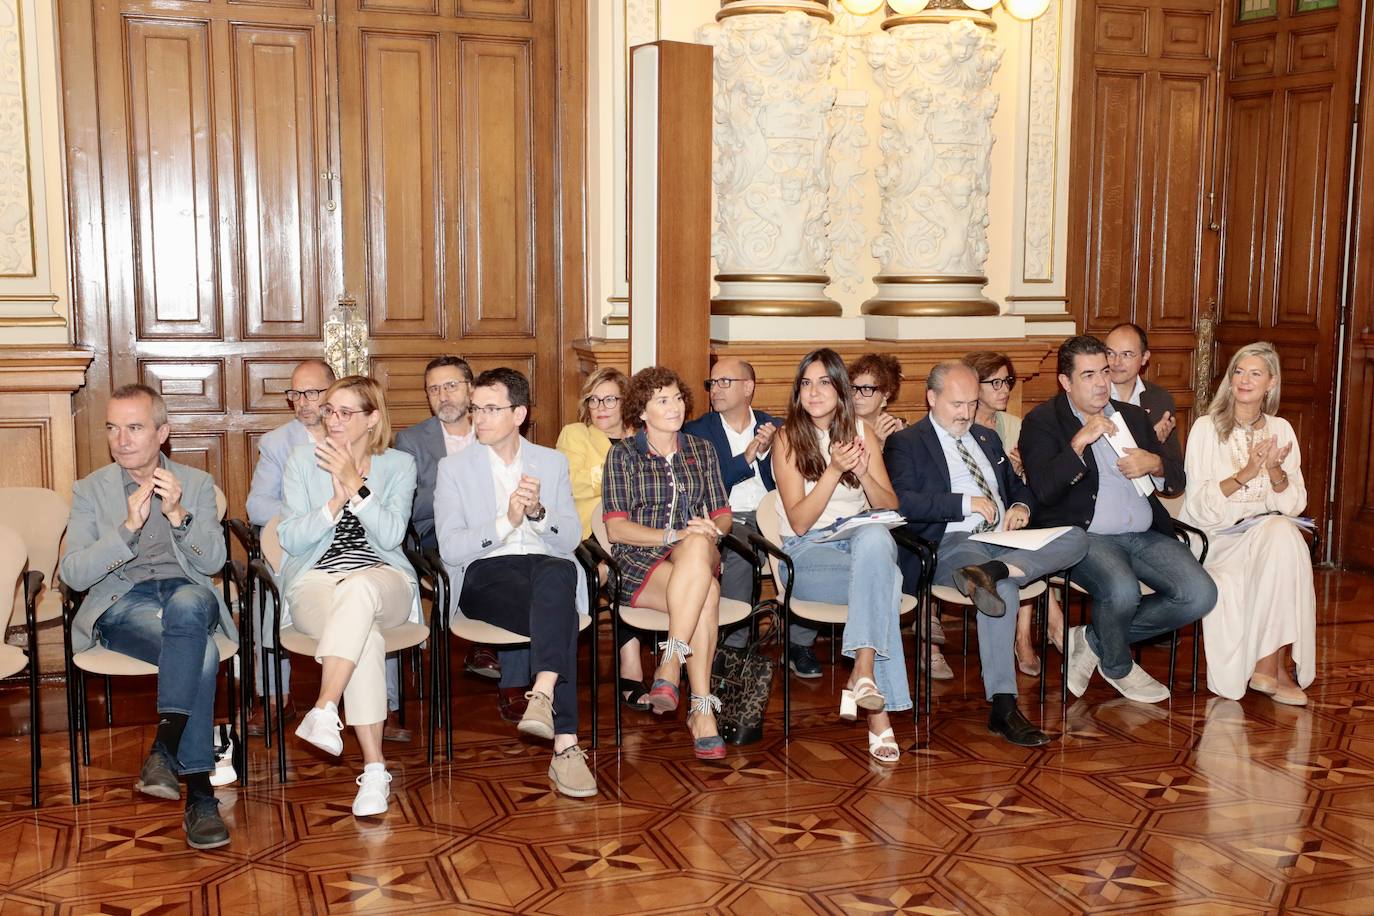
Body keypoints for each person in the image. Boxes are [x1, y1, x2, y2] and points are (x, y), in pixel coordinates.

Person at [60, 384, 236, 849]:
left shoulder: (194, 484)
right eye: (113, 428)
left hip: (185, 595)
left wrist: (178, 515)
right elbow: (73, 573)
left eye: (134, 427)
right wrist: (127, 530)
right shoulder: (90, 490)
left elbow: (214, 563)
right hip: (124, 604)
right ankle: (199, 794)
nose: (121, 439)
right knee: (198, 650)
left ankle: (164, 750)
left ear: (163, 433)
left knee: (188, 604)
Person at [886, 362, 1087, 746]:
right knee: (1003, 592)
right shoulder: (908, 443)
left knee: (1076, 537)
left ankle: (997, 569)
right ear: (932, 398)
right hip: (950, 546)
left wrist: (1022, 508)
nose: (965, 413)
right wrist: (965, 503)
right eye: (956, 404)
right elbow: (902, 503)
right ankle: (1004, 706)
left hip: (1005, 543)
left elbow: (1018, 488)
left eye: (972, 403)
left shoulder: (987, 438)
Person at [1020, 335, 1215, 703]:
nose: (1101, 383)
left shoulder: (1132, 417)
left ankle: (1092, 639)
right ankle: (1119, 665)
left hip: (1145, 534)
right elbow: (1043, 492)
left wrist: (1155, 463)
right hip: (1086, 536)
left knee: (1200, 594)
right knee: (1122, 592)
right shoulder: (1042, 422)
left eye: (1105, 372)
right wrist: (1079, 442)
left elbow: (1176, 478)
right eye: (1089, 375)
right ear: (1066, 381)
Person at [435, 368, 597, 797]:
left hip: (545, 567)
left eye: (491, 409)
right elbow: (451, 549)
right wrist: (505, 521)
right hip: (486, 572)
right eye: (476, 409)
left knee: (558, 572)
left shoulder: (551, 462)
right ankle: (565, 744)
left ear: (519, 413)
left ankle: (546, 701)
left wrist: (540, 514)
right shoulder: (453, 469)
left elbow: (570, 539)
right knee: (557, 602)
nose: (479, 418)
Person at [277, 376, 421, 817]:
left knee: (360, 589)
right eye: (329, 411)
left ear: (372, 418)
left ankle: (325, 707)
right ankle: (375, 770)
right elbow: (290, 537)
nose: (332, 420)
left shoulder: (398, 465)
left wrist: (355, 487)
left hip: (383, 579)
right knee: (368, 640)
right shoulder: (303, 460)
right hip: (317, 580)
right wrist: (331, 505)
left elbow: (394, 534)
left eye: (344, 412)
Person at [772, 348, 909, 762]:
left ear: (841, 389)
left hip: (856, 548)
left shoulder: (861, 433)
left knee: (874, 537)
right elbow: (798, 522)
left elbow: (890, 507)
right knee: (886, 577)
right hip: (806, 556)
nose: (814, 392)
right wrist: (833, 471)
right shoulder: (786, 438)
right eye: (806, 383)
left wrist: (864, 470)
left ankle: (864, 675)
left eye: (824, 383)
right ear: (798, 392)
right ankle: (873, 706)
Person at [602, 366, 732, 759]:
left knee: (697, 541)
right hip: (641, 561)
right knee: (706, 593)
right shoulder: (623, 455)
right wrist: (670, 536)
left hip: (697, 550)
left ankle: (671, 662)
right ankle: (701, 712)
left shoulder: (701, 450)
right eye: (662, 400)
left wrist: (714, 530)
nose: (674, 406)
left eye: (677, 398)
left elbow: (723, 512)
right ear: (642, 411)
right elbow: (617, 529)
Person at [1181, 342, 1314, 704]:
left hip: (1268, 534)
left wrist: (1273, 470)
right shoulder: (1206, 429)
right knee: (1284, 539)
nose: (1244, 379)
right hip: (1219, 538)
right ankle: (1275, 666)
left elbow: (1293, 503)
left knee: (1282, 533)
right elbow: (1199, 507)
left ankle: (1268, 665)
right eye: (1238, 371)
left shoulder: (1282, 430)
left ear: (1271, 383)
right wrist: (1247, 472)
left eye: (1255, 373)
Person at [395, 356, 514, 719]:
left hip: (498, 527)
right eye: (434, 389)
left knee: (520, 563)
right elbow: (408, 508)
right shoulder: (412, 440)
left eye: (451, 386)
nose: (443, 395)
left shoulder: (495, 428)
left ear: (470, 389)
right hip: (436, 533)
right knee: (485, 557)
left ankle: (513, 678)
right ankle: (486, 645)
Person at [683, 359, 810, 669]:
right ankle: (732, 647)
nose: (716, 389)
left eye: (725, 382)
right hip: (728, 517)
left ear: (748, 387)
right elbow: (704, 486)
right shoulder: (696, 431)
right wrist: (748, 456)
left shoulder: (776, 427)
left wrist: (768, 452)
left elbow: (793, 479)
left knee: (807, 546)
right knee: (743, 550)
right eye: (712, 383)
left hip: (774, 514)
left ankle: (800, 642)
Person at [244, 358, 335, 734]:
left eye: (312, 392)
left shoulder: (356, 430)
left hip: (348, 542)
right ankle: (275, 697)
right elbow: (256, 505)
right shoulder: (278, 444)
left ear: (333, 391)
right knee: (267, 589)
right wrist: (309, 512)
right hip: (296, 547)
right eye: (295, 393)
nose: (302, 402)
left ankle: (389, 704)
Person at [964, 350, 1065, 677]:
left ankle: (1023, 636)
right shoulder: (959, 427)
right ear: (973, 386)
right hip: (975, 519)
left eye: (1007, 381)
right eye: (994, 382)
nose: (1004, 389)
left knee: (1037, 530)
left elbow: (1031, 485)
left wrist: (1020, 472)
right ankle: (1052, 620)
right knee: (1023, 543)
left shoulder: (1015, 425)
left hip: (1012, 517)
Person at [556, 368, 650, 709]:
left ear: (626, 402)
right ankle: (631, 667)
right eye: (593, 399)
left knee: (626, 560)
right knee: (620, 563)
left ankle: (646, 661)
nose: (600, 406)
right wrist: (619, 475)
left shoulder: (645, 435)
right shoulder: (575, 434)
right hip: (585, 534)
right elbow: (570, 482)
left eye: (609, 398)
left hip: (634, 532)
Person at [1104, 323, 1183, 493]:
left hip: (1144, 502)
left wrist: (1156, 454)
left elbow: (1176, 480)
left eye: (1127, 354)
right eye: (1110, 353)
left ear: (1145, 357)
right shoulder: (1093, 396)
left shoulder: (1159, 400)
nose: (1116, 362)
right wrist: (1149, 440)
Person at [848, 352, 906, 450]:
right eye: (853, 388)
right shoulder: (841, 429)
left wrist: (901, 446)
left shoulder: (896, 427)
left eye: (867, 389)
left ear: (886, 394)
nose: (856, 396)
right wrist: (876, 444)